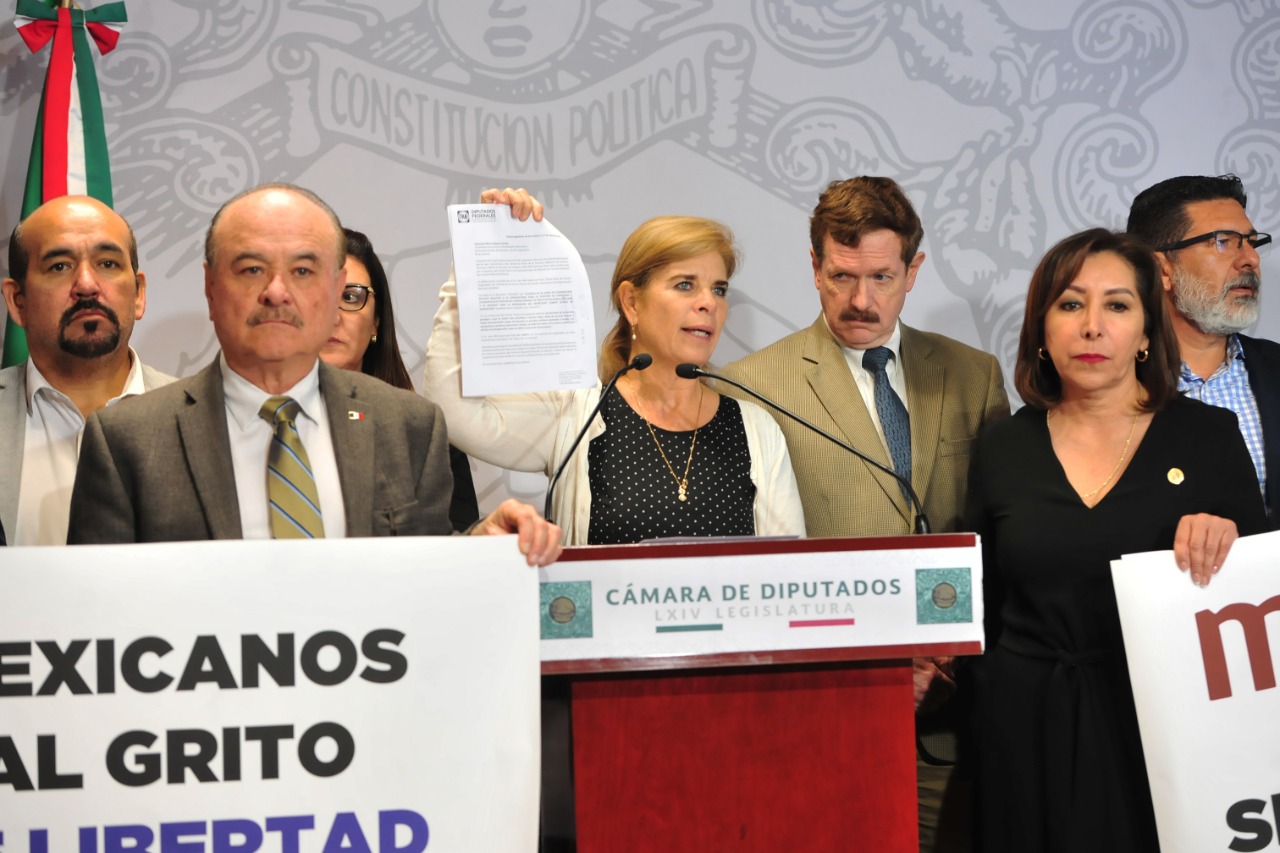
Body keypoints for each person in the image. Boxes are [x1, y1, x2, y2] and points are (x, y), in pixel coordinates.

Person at [721, 176, 1010, 851]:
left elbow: (1003, 531)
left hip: (956, 715)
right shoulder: (751, 387)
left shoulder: (975, 375)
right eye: (842, 276)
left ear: (914, 270)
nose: (861, 300)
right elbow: (757, 564)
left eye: (882, 277)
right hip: (824, 717)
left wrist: (946, 653)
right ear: (814, 265)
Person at [66, 183, 560, 566]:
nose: (277, 292)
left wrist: (480, 546)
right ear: (210, 287)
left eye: (303, 271)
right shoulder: (127, 440)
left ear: (336, 288)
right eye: (251, 269)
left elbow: (426, 575)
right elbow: (94, 615)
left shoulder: (407, 426)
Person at [967, 228, 1267, 853]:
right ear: (1042, 329)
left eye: (1117, 305)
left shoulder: (1209, 436)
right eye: (1071, 304)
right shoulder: (1002, 445)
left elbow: (1260, 615)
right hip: (1023, 735)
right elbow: (981, 608)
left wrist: (1232, 540)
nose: (1092, 327)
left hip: (1163, 736)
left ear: (1148, 332)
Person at [423, 188, 806, 545]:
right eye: (685, 285)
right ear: (631, 303)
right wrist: (477, 252)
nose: (710, 303)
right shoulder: (577, 414)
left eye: (718, 289)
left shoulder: (755, 430)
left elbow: (788, 569)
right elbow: (453, 413)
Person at [0, 196, 174, 545]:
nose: (86, 284)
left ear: (138, 293)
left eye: (107, 263)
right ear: (18, 301)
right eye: (59, 267)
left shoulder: (202, 418)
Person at [1126, 174, 1278, 528]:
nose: (1250, 259)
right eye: (1224, 242)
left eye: (1251, 242)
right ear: (1161, 270)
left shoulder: (1274, 369)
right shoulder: (1109, 384)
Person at [321, 226, 480, 532]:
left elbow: (455, 550)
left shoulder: (423, 432)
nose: (334, 316)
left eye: (351, 297)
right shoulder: (268, 421)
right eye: (320, 297)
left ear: (376, 323)